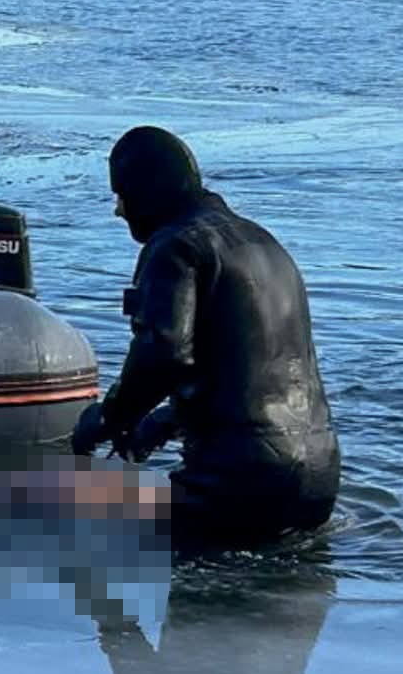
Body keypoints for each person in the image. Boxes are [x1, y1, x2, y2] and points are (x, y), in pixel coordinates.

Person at [72, 126, 341, 549]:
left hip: (232, 486)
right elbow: (245, 372)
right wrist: (158, 424)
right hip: (319, 481)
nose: (118, 211)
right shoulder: (264, 242)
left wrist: (110, 418)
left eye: (121, 195)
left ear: (147, 191)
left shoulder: (176, 246)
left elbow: (162, 353)